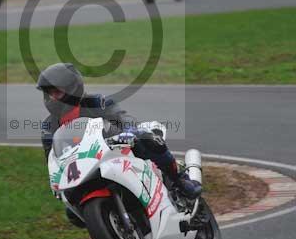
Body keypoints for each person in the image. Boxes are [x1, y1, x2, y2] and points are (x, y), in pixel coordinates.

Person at [37, 63, 201, 211]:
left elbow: (121, 116)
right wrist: (55, 182)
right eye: (48, 93)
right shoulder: (48, 126)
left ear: (72, 88)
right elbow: (52, 159)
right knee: (71, 211)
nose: (52, 98)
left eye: (56, 92)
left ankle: (181, 181)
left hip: (117, 147)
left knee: (148, 140)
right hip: (83, 167)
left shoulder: (95, 102)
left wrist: (130, 130)